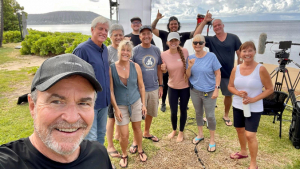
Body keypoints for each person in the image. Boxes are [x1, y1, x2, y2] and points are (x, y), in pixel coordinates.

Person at [0, 54, 112, 168]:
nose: (72, 118)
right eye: (56, 102)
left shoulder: (99, 154)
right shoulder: (8, 163)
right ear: (33, 106)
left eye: (83, 103)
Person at [228, 41, 273, 169]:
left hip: (254, 107)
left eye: (250, 51)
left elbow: (270, 89)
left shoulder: (261, 69)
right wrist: (237, 92)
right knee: (240, 130)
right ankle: (243, 152)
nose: (247, 54)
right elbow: (230, 86)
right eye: (244, 51)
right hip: (238, 105)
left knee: (250, 135)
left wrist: (253, 99)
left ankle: (253, 163)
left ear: (254, 52)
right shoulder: (236, 68)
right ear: (240, 53)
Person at [194, 11, 242, 126]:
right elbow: (196, 35)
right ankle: (208, 114)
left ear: (223, 25)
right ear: (213, 28)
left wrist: (240, 67)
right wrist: (205, 21)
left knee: (228, 95)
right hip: (212, 73)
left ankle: (226, 115)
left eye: (219, 25)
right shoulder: (211, 40)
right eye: (215, 26)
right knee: (209, 95)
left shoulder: (233, 38)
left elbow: (240, 53)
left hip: (228, 73)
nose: (217, 27)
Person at [73, 16, 110, 144]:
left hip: (104, 102)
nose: (104, 32)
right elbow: (75, 78)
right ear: (92, 30)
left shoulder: (105, 49)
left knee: (101, 134)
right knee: (91, 137)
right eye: (101, 29)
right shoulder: (82, 50)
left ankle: (100, 161)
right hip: (89, 103)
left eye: (106, 30)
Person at [110, 40, 147, 168]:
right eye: (123, 50)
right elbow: (111, 91)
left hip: (135, 102)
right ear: (118, 51)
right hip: (120, 105)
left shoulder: (135, 66)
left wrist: (143, 104)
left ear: (131, 53)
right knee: (124, 134)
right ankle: (124, 155)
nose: (125, 53)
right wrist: (116, 108)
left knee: (137, 129)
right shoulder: (112, 68)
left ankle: (140, 149)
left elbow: (141, 87)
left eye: (128, 50)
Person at [151, 10, 197, 112]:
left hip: (179, 64)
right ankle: (163, 103)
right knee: (166, 83)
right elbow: (152, 28)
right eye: (171, 24)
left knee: (181, 83)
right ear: (169, 25)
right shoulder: (164, 34)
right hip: (166, 64)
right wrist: (157, 19)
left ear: (178, 25)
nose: (173, 25)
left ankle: (182, 101)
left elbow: (195, 33)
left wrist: (199, 22)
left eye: (175, 24)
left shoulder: (182, 36)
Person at [186, 34, 221, 152]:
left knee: (210, 116)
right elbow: (187, 76)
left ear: (204, 44)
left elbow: (218, 73)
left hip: (210, 91)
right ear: (192, 45)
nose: (198, 45)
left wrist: (217, 88)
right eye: (195, 43)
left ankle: (212, 140)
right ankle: (200, 134)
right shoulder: (190, 58)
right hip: (195, 91)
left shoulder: (211, 56)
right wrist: (189, 67)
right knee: (198, 113)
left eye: (200, 42)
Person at [131, 25, 163, 152]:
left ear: (151, 36)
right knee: (137, 115)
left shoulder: (156, 50)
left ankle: (146, 132)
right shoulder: (135, 51)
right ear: (140, 37)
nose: (146, 36)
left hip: (154, 87)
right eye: (143, 34)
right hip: (138, 89)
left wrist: (161, 85)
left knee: (150, 112)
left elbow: (159, 68)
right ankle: (135, 140)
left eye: (148, 34)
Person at [161, 32, 189, 142]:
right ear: (167, 42)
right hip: (172, 86)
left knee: (183, 110)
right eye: (171, 41)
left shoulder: (185, 51)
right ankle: (174, 130)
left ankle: (181, 132)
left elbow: (189, 67)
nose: (173, 43)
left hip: (185, 87)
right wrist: (163, 69)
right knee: (173, 111)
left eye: (175, 40)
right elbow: (164, 71)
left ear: (179, 42)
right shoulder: (163, 54)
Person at [106, 23, 125, 158]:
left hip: (123, 90)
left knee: (122, 113)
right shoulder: (107, 51)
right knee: (111, 117)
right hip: (111, 89)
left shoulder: (125, 49)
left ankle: (118, 135)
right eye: (115, 35)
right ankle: (110, 146)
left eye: (120, 35)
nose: (118, 37)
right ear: (110, 36)